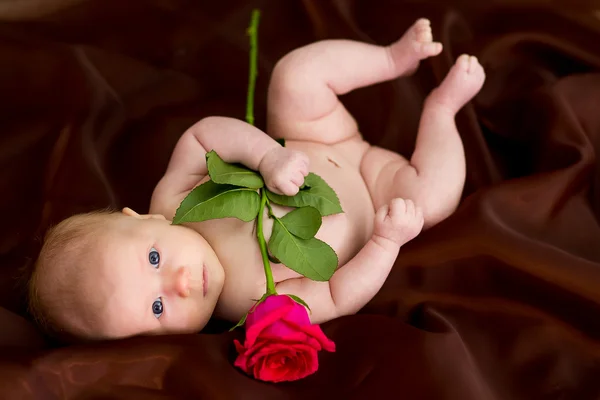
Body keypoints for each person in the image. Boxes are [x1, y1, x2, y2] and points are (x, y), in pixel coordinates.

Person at [28, 18, 485, 341]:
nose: (181, 282)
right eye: (158, 308)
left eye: (153, 257)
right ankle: (442, 113)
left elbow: (203, 134)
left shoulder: (173, 199)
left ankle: (390, 58)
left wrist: (268, 157)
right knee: (433, 198)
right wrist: (386, 241)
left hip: (316, 137)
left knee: (293, 77)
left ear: (140, 217)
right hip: (381, 195)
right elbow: (336, 294)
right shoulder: (251, 307)